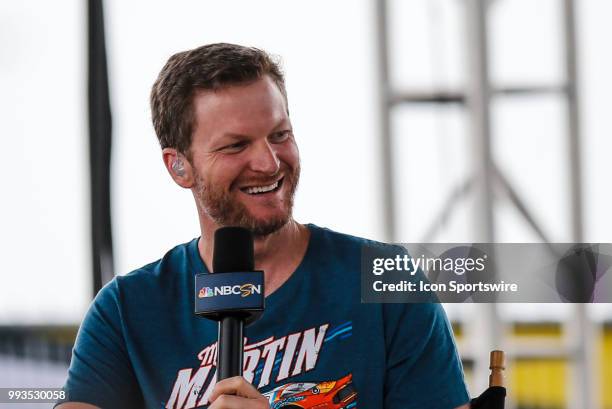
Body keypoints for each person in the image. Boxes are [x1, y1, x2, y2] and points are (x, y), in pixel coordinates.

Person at [58, 43, 471, 409]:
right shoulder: (127, 310)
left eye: (280, 135)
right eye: (236, 145)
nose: (269, 163)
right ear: (179, 166)